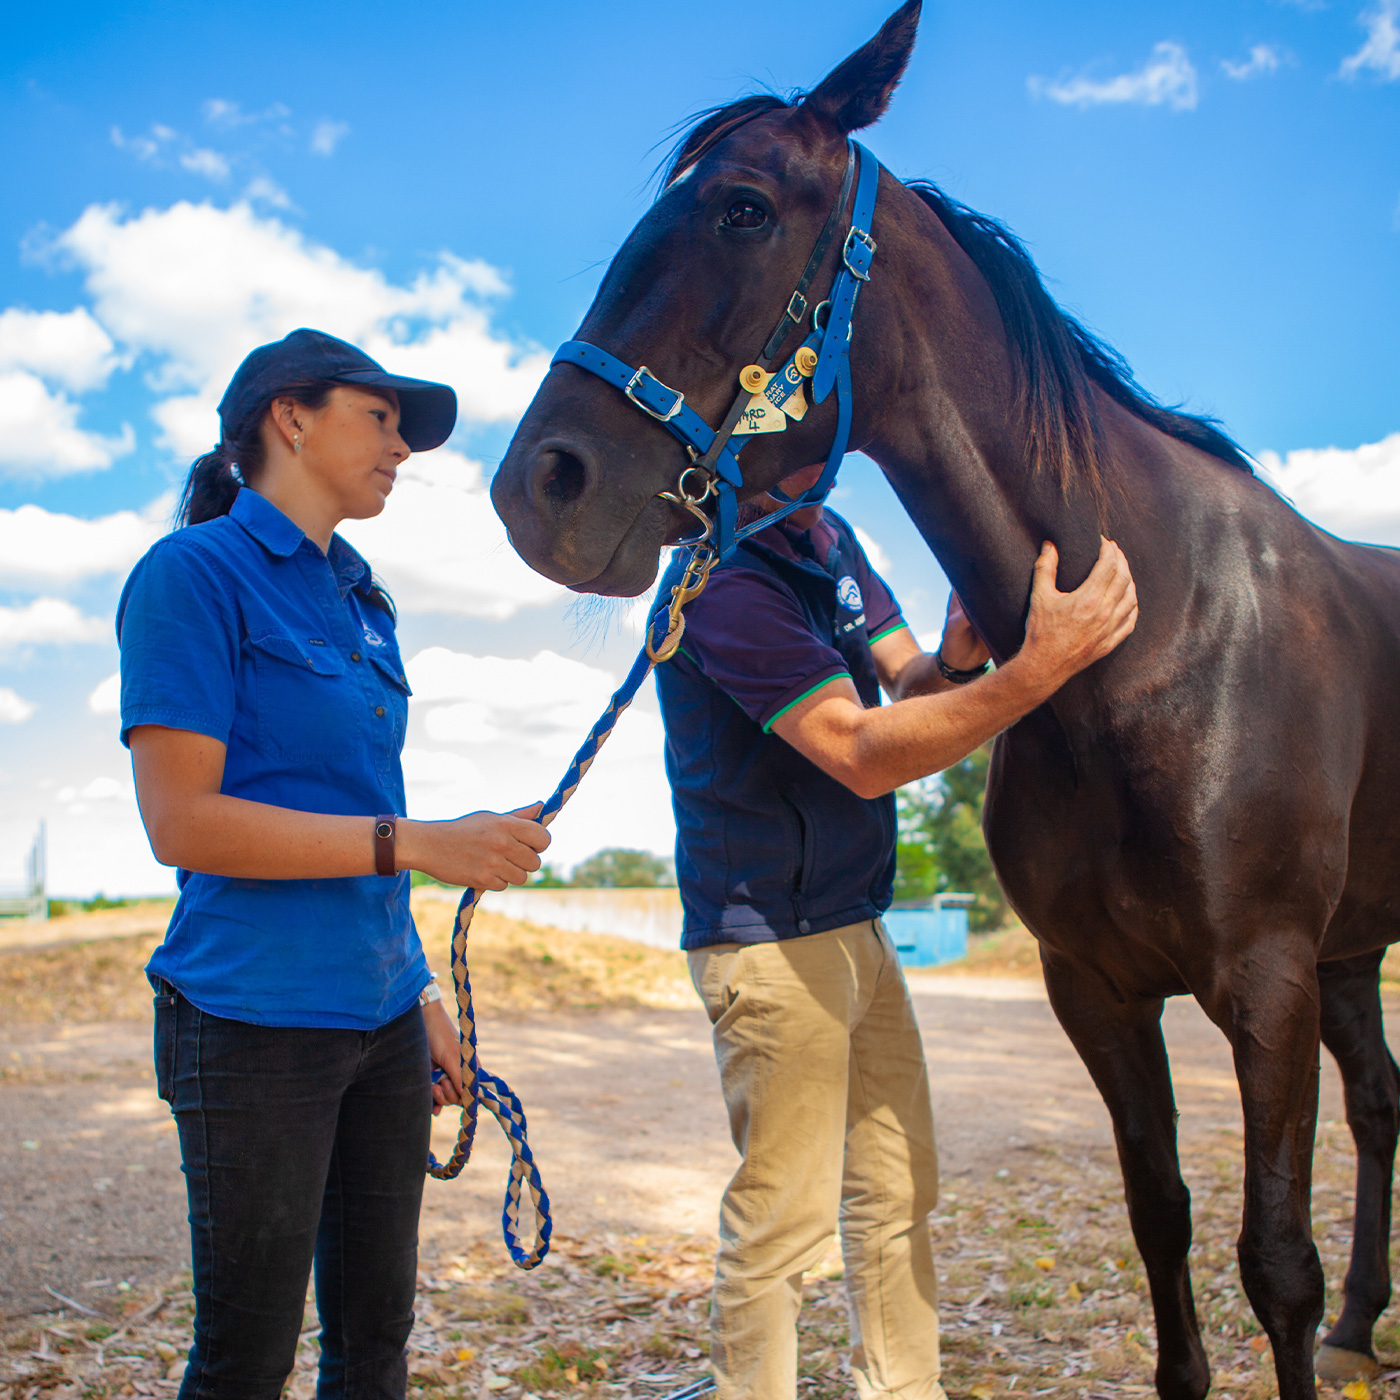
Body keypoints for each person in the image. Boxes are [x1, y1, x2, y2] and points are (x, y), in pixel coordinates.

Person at [116, 328, 551, 1398]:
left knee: (374, 1345)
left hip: (382, 1026)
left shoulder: (363, 599)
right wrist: (425, 842)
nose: (401, 445)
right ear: (289, 416)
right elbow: (182, 822)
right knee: (244, 1362)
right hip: (251, 1020)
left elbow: (358, 817)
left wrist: (420, 1000)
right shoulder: (191, 575)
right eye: (380, 416)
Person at [653, 462, 1138, 1400]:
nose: (831, 453)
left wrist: (960, 660)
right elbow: (857, 752)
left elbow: (907, 681)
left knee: (897, 1193)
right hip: (770, 940)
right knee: (783, 1223)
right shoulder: (719, 584)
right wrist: (1040, 670)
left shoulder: (829, 540)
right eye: (811, 433)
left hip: (856, 923)